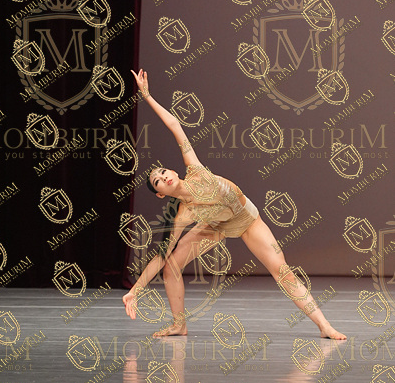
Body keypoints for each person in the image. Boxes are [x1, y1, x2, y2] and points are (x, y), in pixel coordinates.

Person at [122, 69, 346, 340]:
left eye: (162, 171)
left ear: (173, 171)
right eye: (157, 181)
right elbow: (160, 255)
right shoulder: (182, 214)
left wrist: (147, 96)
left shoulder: (194, 169)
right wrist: (135, 291)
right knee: (170, 264)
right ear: (160, 194)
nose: (163, 177)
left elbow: (174, 125)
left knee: (282, 272)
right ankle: (179, 324)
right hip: (214, 226)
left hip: (245, 219)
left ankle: (324, 325)